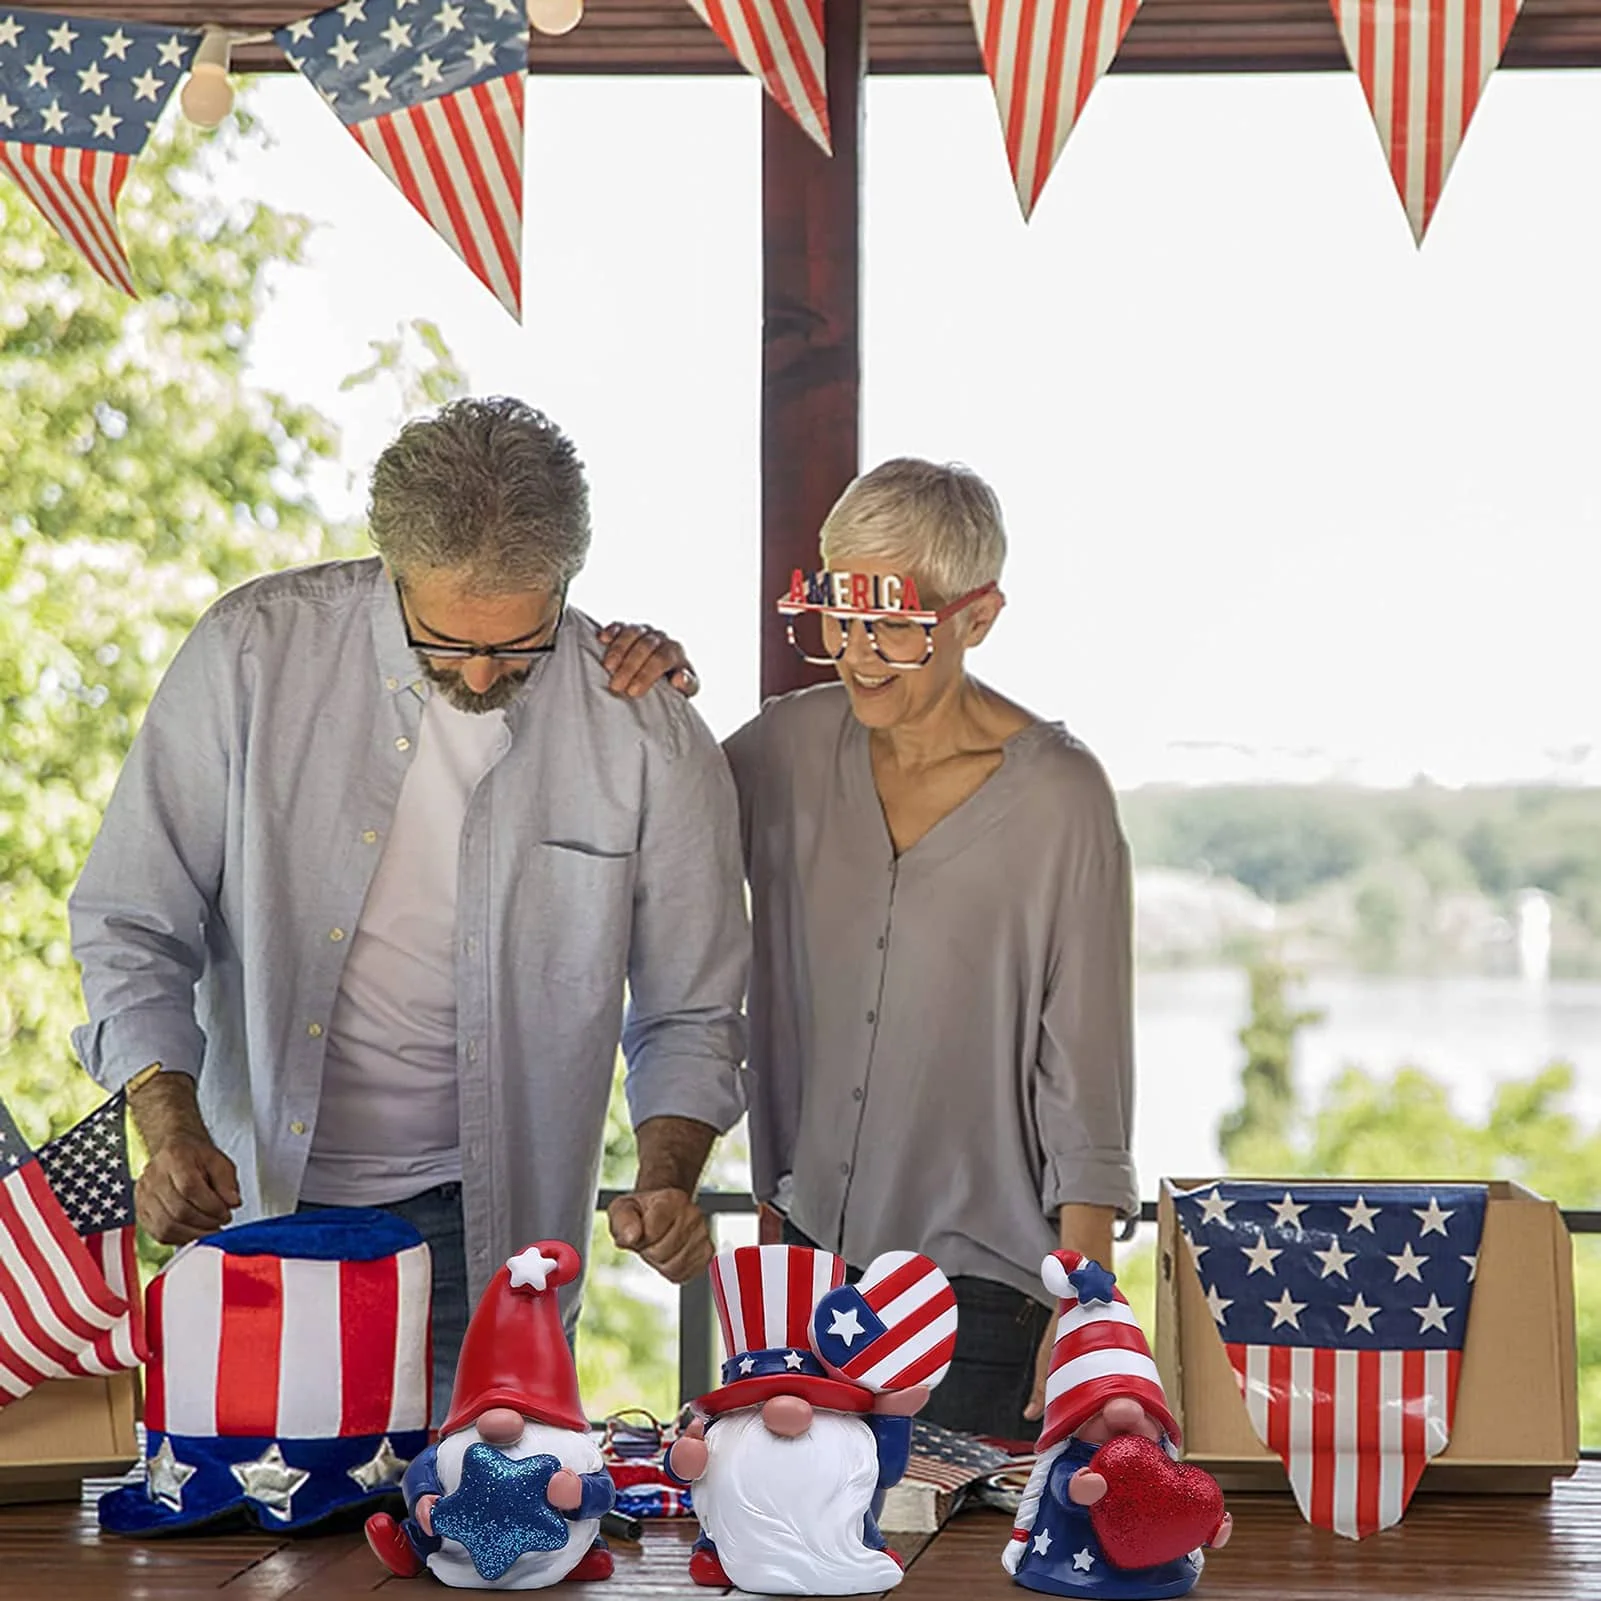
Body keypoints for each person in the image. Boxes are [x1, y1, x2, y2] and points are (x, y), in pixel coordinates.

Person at [69, 396, 749, 1420]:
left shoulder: (644, 729)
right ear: (390, 569)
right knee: (249, 1549)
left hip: (489, 1243)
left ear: (566, 584)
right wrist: (169, 1128)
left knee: (480, 1542)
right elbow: (132, 919)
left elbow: (691, 1010)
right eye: (445, 640)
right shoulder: (252, 656)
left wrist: (666, 1175)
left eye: (519, 648)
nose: (479, 674)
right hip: (260, 1205)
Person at [601, 457, 1136, 1441]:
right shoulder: (780, 751)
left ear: (979, 617)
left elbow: (1084, 1074)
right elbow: (653, 832)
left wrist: (1087, 1306)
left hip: (980, 1293)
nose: (856, 655)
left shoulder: (1062, 799)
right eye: (838, 620)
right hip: (800, 1278)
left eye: (894, 625)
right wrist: (652, 696)